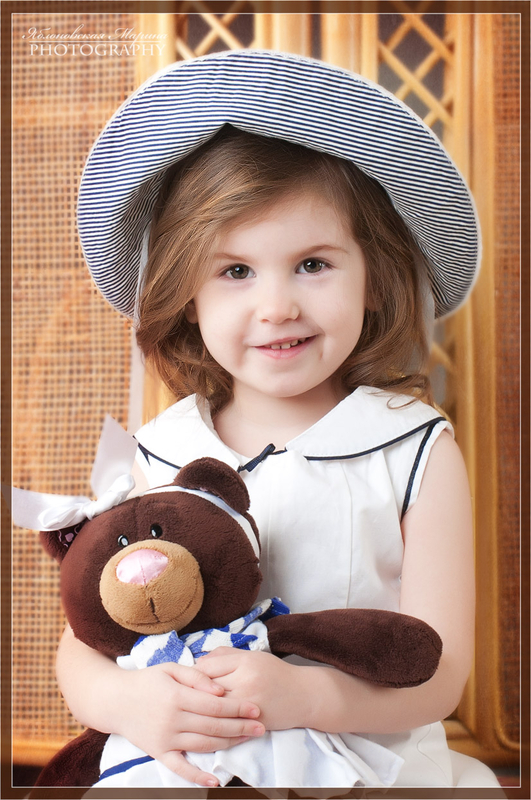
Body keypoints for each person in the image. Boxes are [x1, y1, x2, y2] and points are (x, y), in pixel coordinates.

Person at [56, 50, 502, 790]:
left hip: (367, 771)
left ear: (373, 278)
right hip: (191, 769)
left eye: (313, 264)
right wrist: (131, 704)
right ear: (187, 297)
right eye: (235, 271)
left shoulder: (413, 447)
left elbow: (441, 672)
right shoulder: (159, 450)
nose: (277, 307)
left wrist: (304, 696)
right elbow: (83, 641)